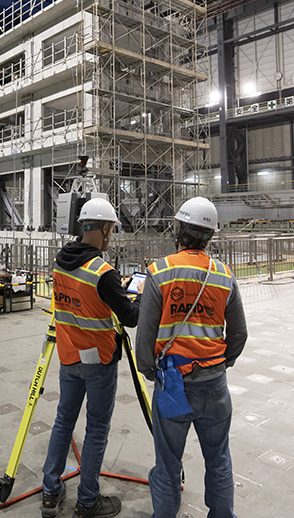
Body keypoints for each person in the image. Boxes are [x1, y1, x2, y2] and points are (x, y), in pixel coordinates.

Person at [136, 196, 247, 518]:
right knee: (219, 459)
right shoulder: (224, 275)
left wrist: (149, 371)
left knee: (168, 463)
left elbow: (145, 335)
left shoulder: (160, 272)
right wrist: (223, 363)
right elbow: (239, 333)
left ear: (179, 229)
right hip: (215, 385)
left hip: (173, 384)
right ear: (210, 235)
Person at [42, 197, 142, 518]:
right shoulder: (103, 272)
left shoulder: (60, 262)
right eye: (111, 228)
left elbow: (77, 302)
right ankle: (87, 500)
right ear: (103, 229)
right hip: (98, 362)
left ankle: (50, 491)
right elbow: (130, 317)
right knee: (96, 429)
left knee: (63, 421)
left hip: (69, 357)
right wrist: (135, 298)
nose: (111, 234)